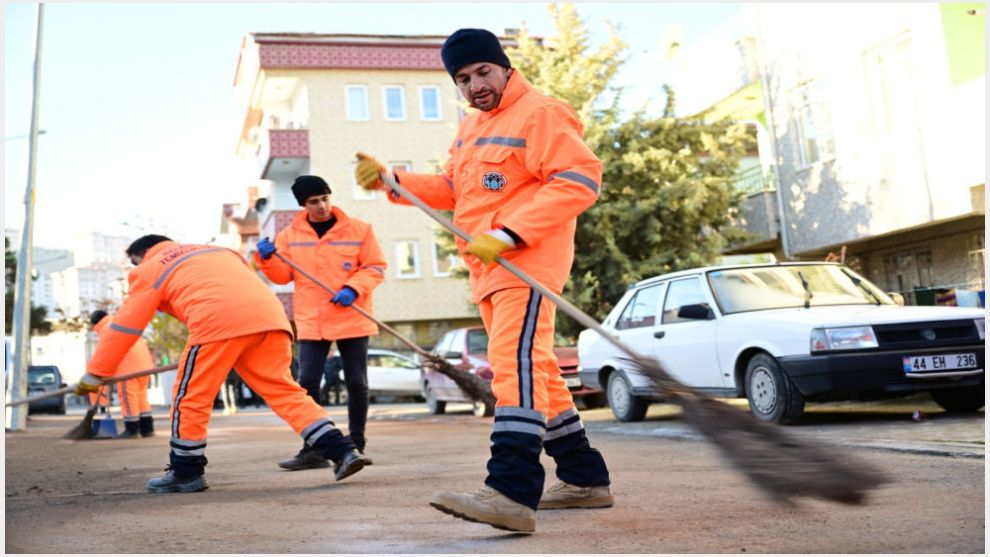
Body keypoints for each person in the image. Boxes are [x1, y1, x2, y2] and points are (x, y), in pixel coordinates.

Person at [354, 28, 611, 533]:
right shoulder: (471, 129)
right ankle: (584, 478)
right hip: (489, 268)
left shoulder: (540, 113)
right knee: (538, 371)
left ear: (504, 67)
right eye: (463, 78)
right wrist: (394, 180)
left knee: (514, 366)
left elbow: (579, 179)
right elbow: (453, 189)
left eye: (482, 71)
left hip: (526, 262)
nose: (475, 85)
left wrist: (510, 232)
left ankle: (511, 491)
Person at [74, 234, 371, 493]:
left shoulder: (150, 269)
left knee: (190, 397)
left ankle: (186, 472)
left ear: (141, 256)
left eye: (135, 263)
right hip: (271, 319)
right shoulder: (217, 251)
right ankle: (343, 451)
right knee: (286, 393)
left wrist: (96, 373)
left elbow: (126, 326)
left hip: (217, 322)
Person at [254, 175, 386, 470]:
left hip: (352, 314)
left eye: (325, 198)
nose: (322, 205)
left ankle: (357, 444)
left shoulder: (360, 229)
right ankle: (314, 448)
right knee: (307, 382)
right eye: (314, 201)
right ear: (304, 204)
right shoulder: (289, 236)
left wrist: (354, 288)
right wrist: (266, 260)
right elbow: (281, 276)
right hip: (312, 318)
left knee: (357, 382)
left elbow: (376, 266)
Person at [88, 310, 156, 438]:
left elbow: (102, 356)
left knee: (128, 398)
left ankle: (132, 430)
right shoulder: (121, 324)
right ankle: (147, 429)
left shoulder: (106, 330)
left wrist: (97, 376)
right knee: (141, 398)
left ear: (95, 323)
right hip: (145, 367)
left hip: (128, 370)